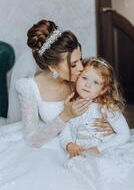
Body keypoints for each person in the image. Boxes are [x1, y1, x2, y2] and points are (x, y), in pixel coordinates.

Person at [0, 20, 113, 190]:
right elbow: (32, 140)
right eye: (73, 64)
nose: (81, 68)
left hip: (86, 140)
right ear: (52, 66)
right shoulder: (28, 87)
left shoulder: (81, 78)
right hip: (48, 146)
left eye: (80, 59)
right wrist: (66, 115)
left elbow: (102, 104)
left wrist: (108, 122)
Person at [59, 57, 134, 190]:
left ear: (104, 89)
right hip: (82, 152)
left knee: (108, 172)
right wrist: (69, 145)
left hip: (107, 148)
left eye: (95, 82)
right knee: (77, 177)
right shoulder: (71, 105)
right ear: (77, 78)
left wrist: (99, 149)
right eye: (84, 78)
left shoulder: (106, 107)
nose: (88, 85)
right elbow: (64, 131)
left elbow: (124, 134)